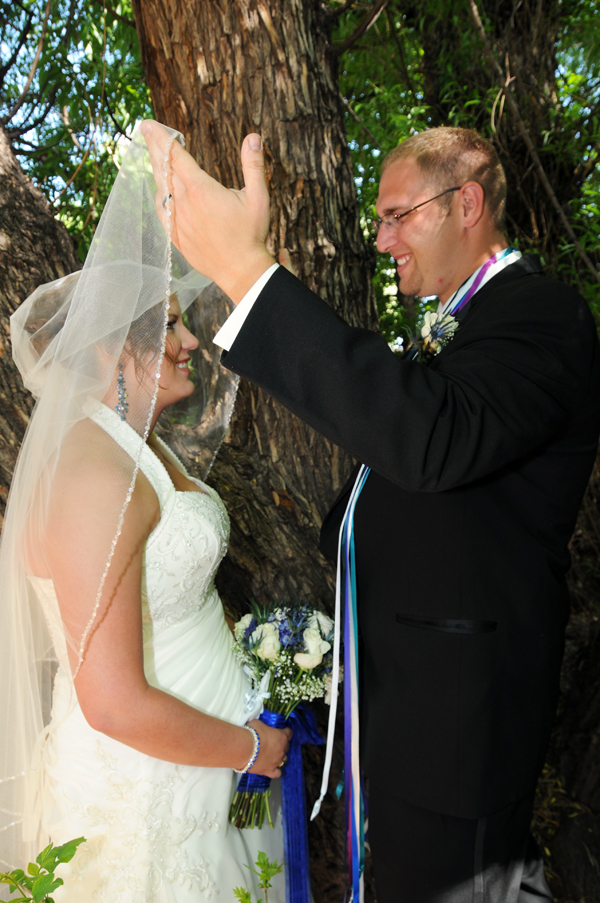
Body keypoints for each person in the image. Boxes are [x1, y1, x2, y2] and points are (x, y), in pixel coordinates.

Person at [141, 120, 600, 902]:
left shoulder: (543, 316)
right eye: (379, 220)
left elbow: (427, 436)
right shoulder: (456, 326)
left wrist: (244, 270)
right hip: (409, 708)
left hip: (461, 730)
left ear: (469, 202)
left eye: (398, 215)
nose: (383, 240)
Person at [0, 125, 290, 903]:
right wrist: (248, 746)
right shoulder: (95, 473)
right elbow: (112, 698)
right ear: (106, 353)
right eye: (166, 326)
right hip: (156, 784)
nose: (190, 338)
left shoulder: (142, 450)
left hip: (204, 767)